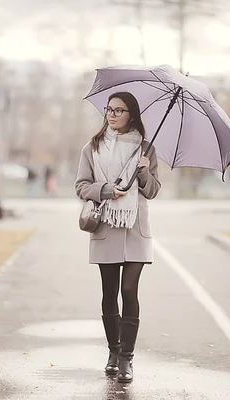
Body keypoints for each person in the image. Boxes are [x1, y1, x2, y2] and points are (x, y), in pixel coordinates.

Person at [75, 92, 161, 383]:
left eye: (118, 110)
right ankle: (113, 351)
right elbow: (81, 186)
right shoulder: (93, 147)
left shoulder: (146, 149)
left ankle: (127, 359)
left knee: (129, 292)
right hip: (106, 226)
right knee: (109, 293)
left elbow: (152, 191)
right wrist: (107, 191)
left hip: (136, 228)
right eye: (109, 110)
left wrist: (145, 174)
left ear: (131, 115)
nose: (111, 115)